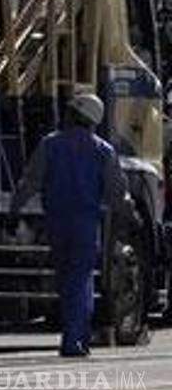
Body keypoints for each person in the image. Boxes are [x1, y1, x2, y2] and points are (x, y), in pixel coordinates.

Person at [10, 94, 126, 357]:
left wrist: (14, 210)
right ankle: (75, 339)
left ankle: (76, 337)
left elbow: (30, 182)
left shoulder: (50, 144)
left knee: (66, 281)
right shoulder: (103, 150)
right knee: (80, 280)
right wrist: (127, 213)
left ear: (75, 115)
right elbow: (115, 193)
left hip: (56, 222)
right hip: (85, 224)